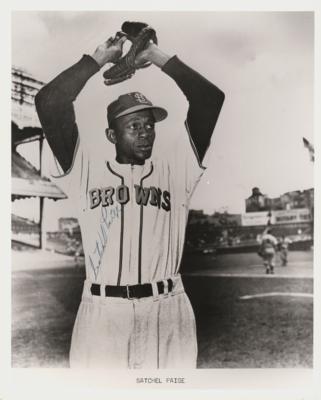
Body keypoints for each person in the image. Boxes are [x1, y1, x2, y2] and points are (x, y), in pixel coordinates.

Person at [35, 30, 225, 369]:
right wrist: (97, 60)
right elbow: (49, 102)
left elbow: (210, 99)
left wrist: (153, 55)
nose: (145, 132)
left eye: (149, 125)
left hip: (167, 309)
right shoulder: (84, 169)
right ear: (111, 134)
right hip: (103, 314)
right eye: (134, 125)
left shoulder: (175, 170)